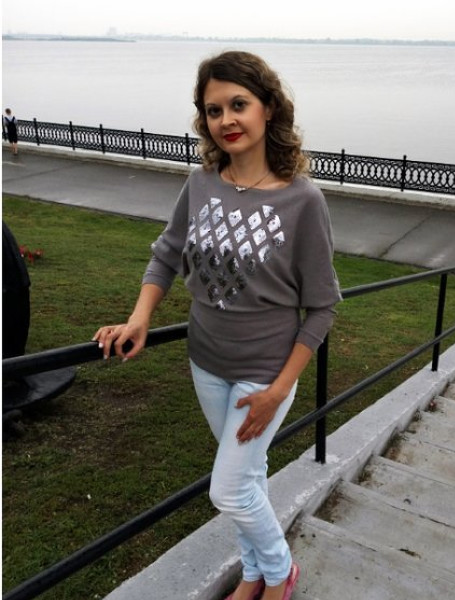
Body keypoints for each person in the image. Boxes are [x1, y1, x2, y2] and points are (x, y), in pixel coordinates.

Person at [93, 51, 341, 600]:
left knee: (228, 490)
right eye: (213, 110)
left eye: (238, 104)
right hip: (206, 363)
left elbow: (323, 306)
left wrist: (278, 391)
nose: (226, 119)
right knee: (247, 479)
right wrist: (139, 318)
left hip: (264, 373)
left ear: (268, 109)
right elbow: (166, 255)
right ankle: (252, 573)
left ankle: (279, 573)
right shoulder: (202, 183)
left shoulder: (303, 200)